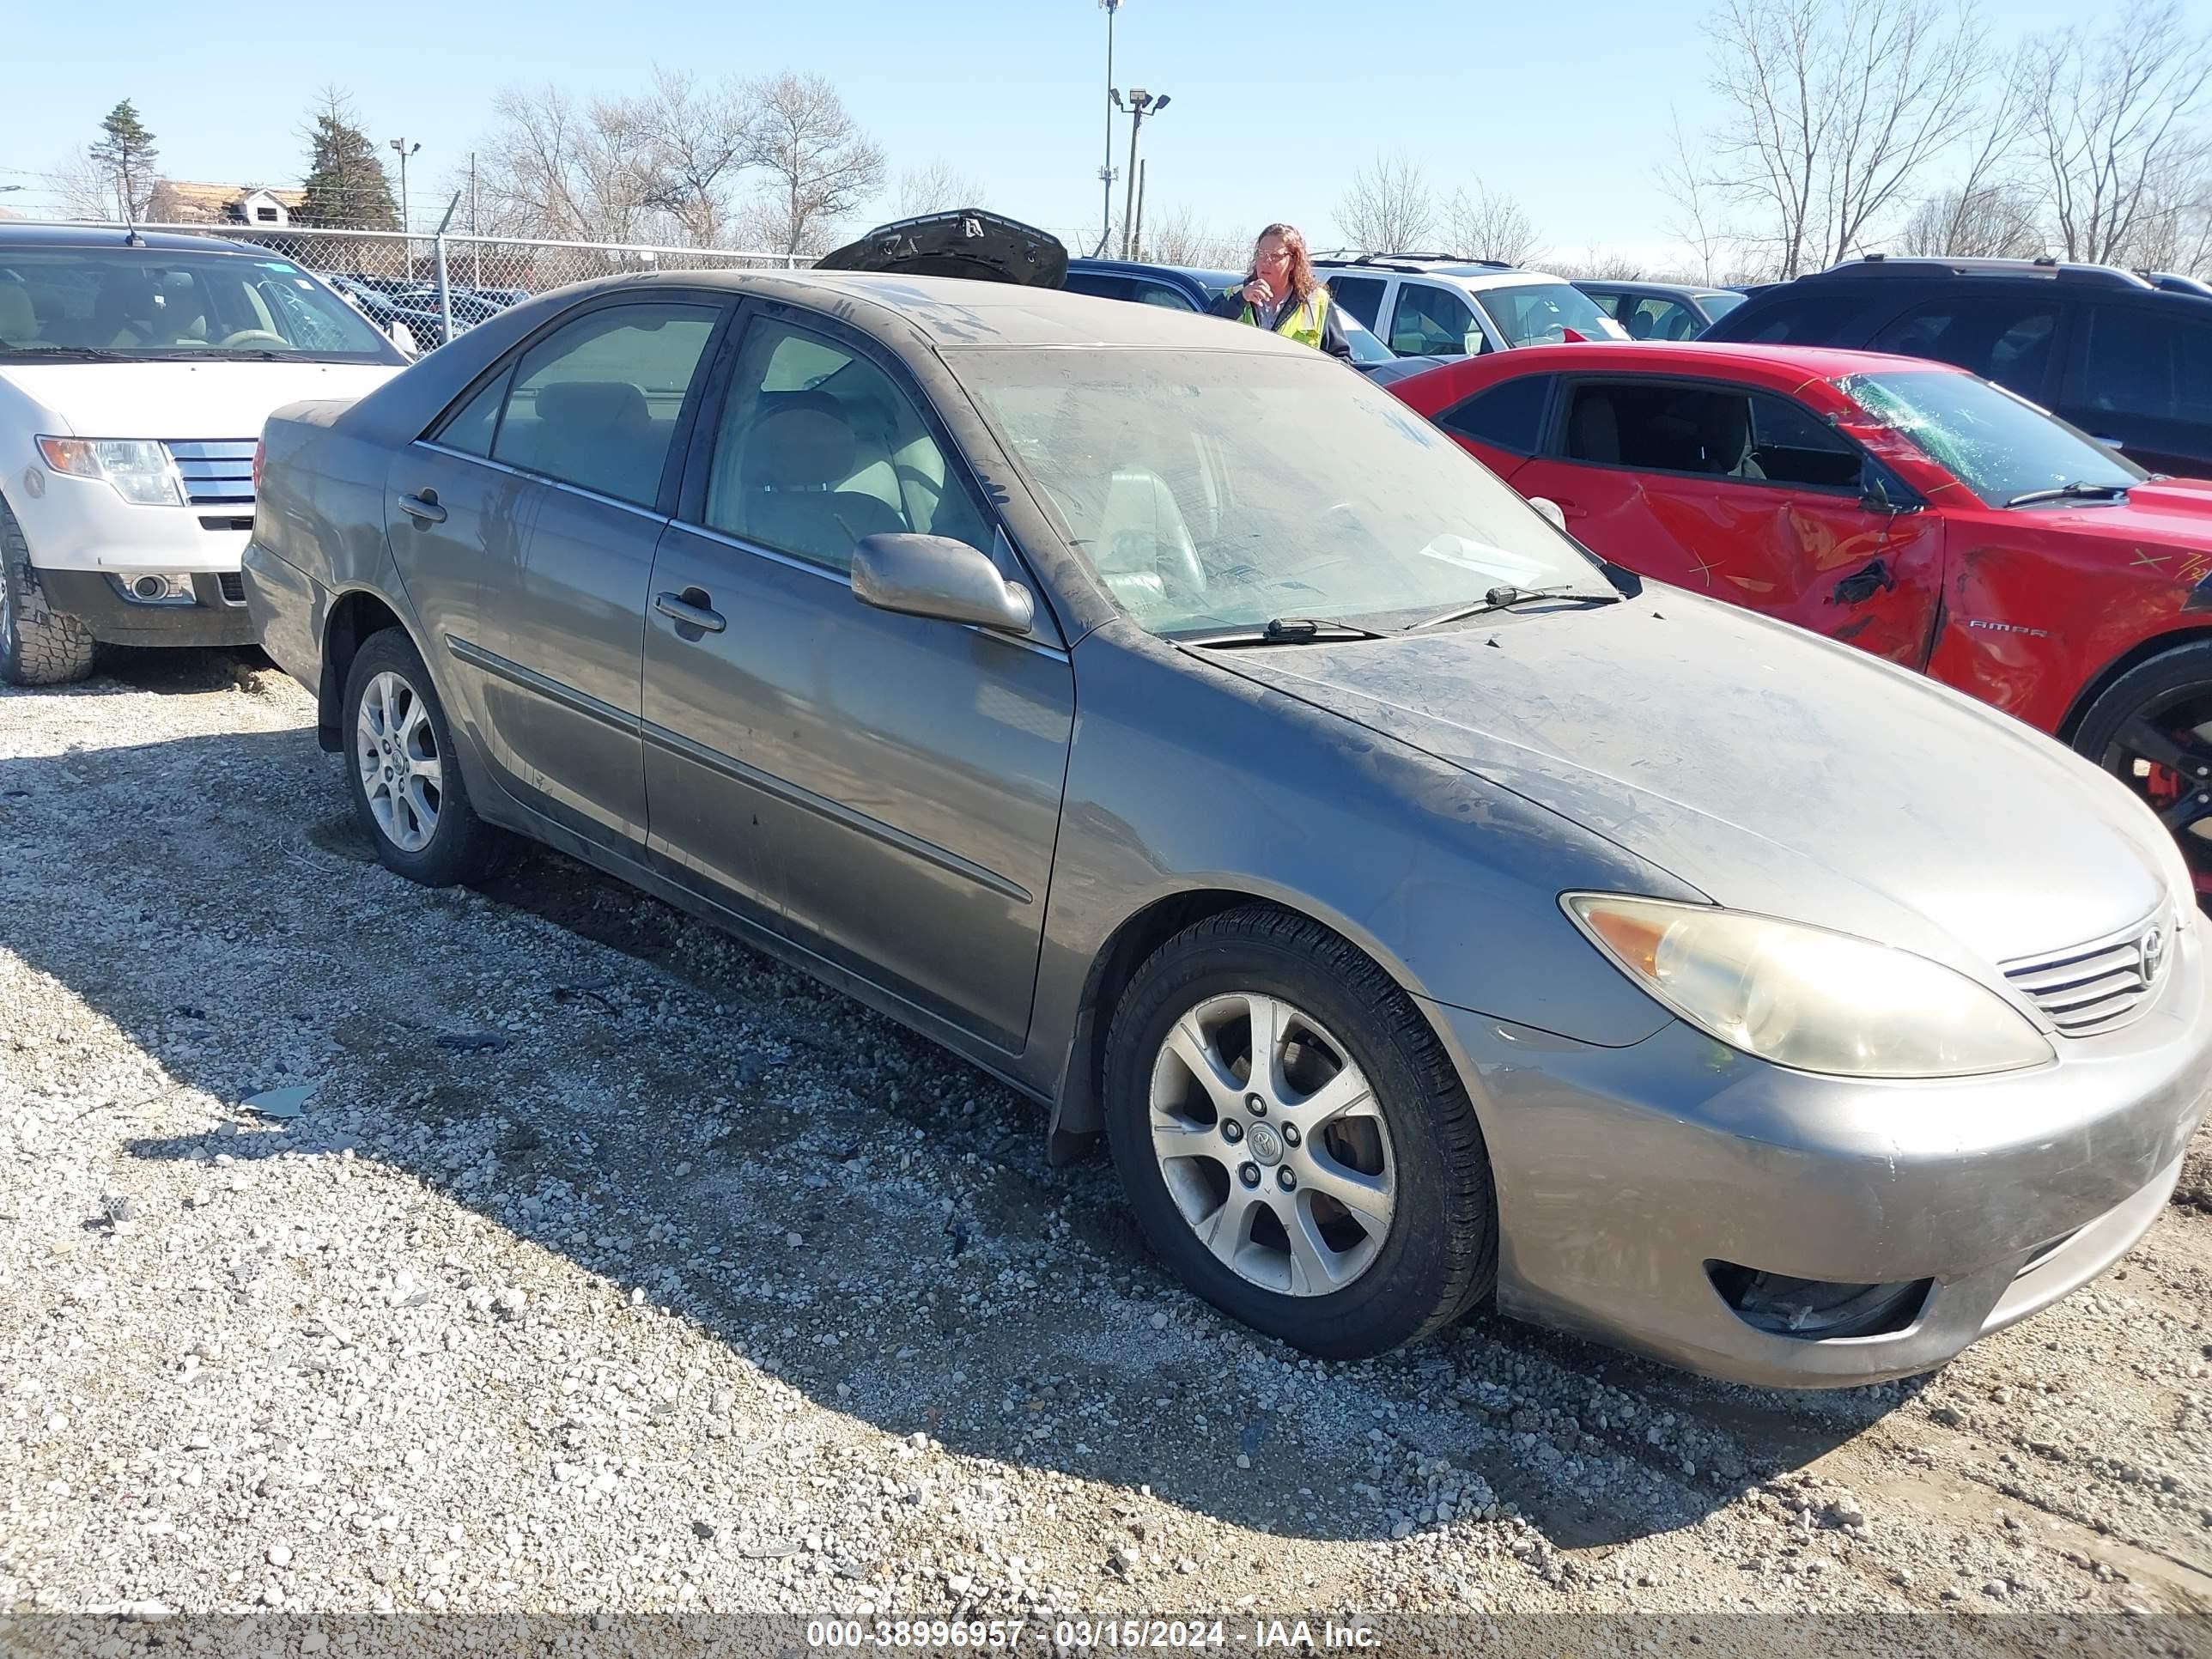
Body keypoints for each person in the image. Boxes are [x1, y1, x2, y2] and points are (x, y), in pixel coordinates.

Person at [1208, 223, 1352, 362]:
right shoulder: (1233, 295)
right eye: (1261, 254)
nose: (1266, 261)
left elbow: (1341, 359)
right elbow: (1205, 337)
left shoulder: (1315, 302)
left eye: (1275, 256)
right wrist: (1240, 300)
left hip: (1293, 386)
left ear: (1293, 261)